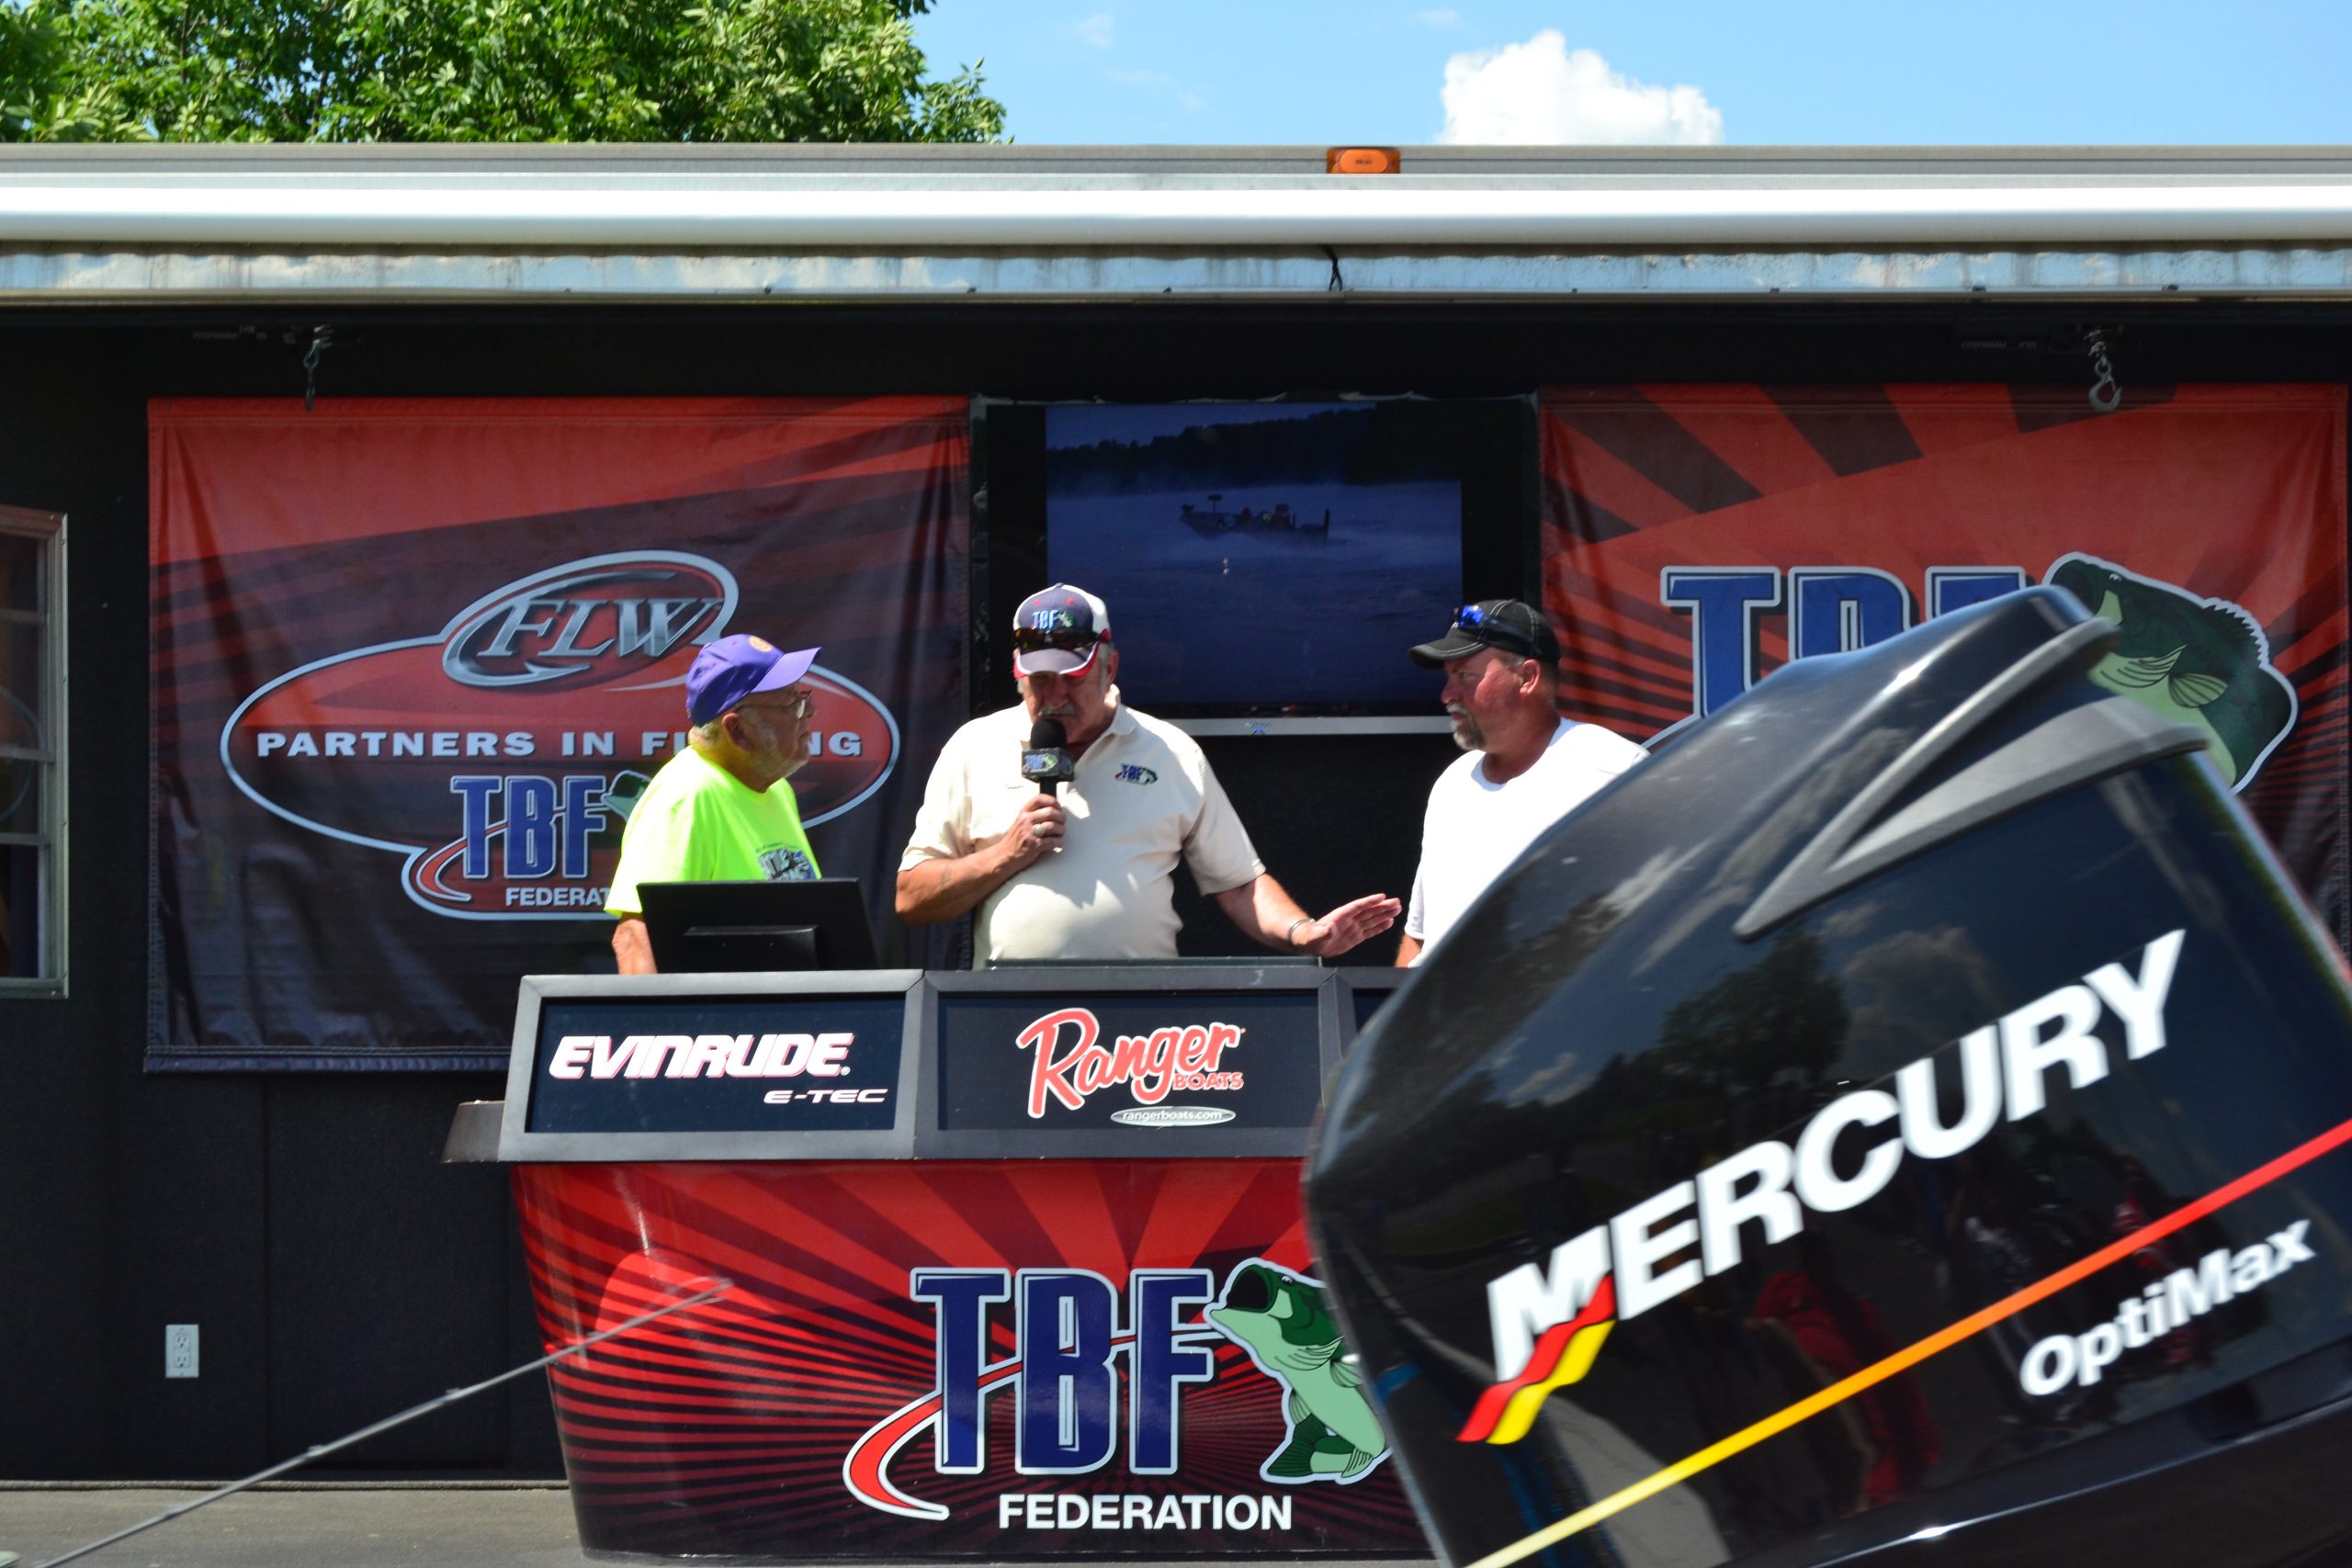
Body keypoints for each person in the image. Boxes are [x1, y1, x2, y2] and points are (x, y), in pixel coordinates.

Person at [897, 583, 1398, 964]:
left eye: (1072, 679)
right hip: (1005, 1013)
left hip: (1141, 1020)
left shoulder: (1169, 751)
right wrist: (1005, 855)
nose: (1055, 696)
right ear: (1017, 671)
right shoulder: (974, 746)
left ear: (1110, 668)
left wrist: (1303, 933)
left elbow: (1238, 883)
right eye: (1040, 680)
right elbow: (911, 896)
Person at [1394, 599, 1645, 966]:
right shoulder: (1453, 782)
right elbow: (1419, 937)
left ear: (1527, 677)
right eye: (1448, 678)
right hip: (1439, 1004)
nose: (1447, 695)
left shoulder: (1612, 770)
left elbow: (1653, 923)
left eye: (1465, 676)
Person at [608, 633, 822, 976]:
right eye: (791, 704)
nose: (809, 711)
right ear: (738, 731)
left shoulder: (776, 789)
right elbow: (636, 936)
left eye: (803, 697)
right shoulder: (684, 797)